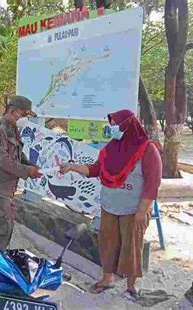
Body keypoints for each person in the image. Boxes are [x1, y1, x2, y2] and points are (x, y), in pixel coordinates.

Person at [58, 109, 162, 299]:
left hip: (133, 210)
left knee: (131, 246)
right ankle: (107, 279)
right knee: (107, 243)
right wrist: (72, 166)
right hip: (109, 207)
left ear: (128, 125)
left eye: (116, 124)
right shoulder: (110, 149)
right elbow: (95, 170)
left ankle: (131, 285)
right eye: (112, 124)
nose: (113, 128)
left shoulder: (148, 150)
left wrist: (142, 210)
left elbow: (153, 183)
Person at [0, 95, 43, 250]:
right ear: (13, 111)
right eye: (23, 114)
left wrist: (31, 166)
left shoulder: (12, 130)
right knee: (0, 232)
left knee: (6, 229)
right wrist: (27, 170)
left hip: (6, 189)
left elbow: (18, 155)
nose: (24, 118)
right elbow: (2, 160)